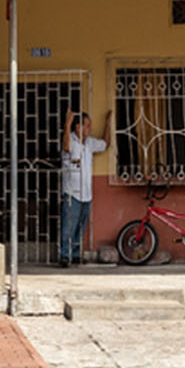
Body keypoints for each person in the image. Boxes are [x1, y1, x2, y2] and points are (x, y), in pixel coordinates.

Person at [59, 107, 111, 266]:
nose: (90, 128)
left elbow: (106, 144)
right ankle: (64, 255)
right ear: (78, 127)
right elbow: (66, 146)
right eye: (87, 125)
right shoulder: (71, 141)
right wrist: (67, 124)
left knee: (80, 227)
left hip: (86, 193)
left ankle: (74, 254)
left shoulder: (89, 143)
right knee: (68, 226)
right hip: (72, 192)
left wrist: (108, 123)